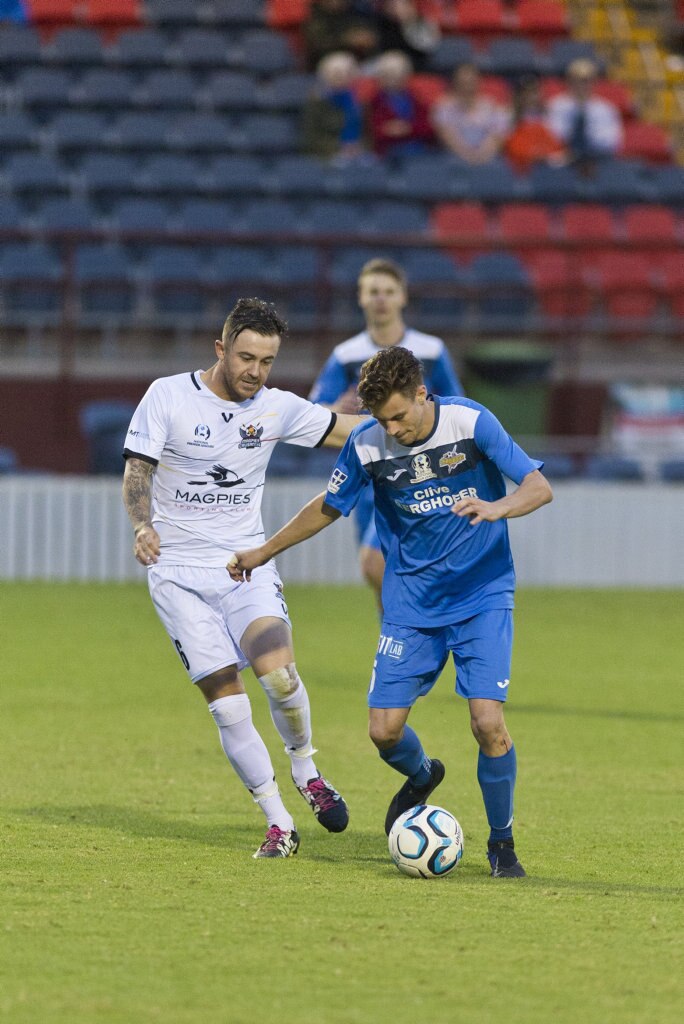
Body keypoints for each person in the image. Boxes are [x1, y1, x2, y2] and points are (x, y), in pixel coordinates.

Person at [229, 346, 553, 878]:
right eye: (382, 418)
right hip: (411, 604)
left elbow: (538, 486)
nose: (392, 428)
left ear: (423, 394)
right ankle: (423, 774)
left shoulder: (471, 422)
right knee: (383, 731)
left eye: (400, 415)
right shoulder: (367, 443)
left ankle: (502, 845)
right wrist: (263, 551)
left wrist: (496, 507)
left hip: (482, 596)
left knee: (488, 723)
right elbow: (328, 508)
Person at [122, 298, 364, 859]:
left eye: (267, 361)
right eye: (246, 356)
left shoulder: (275, 408)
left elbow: (343, 430)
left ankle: (307, 771)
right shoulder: (167, 396)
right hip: (176, 573)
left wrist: (419, 418)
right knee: (228, 706)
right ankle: (279, 821)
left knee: (279, 676)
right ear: (221, 349)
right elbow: (138, 468)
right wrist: (141, 525)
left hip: (243, 565)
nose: (255, 371)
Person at [309, 257, 463, 611]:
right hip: (367, 479)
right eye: (373, 292)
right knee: (383, 574)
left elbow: (457, 408)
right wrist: (338, 410)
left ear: (402, 298)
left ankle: (415, 638)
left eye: (388, 292)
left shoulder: (431, 351)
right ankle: (401, 646)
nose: (381, 299)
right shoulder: (347, 355)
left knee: (375, 562)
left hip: (418, 474)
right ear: (361, 298)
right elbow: (314, 414)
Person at [546, 58, 623, 168]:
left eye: (587, 80)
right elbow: (552, 135)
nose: (582, 85)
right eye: (578, 80)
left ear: (594, 82)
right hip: (562, 159)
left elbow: (612, 141)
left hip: (597, 161)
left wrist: (588, 137)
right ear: (569, 81)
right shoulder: (555, 106)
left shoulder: (606, 109)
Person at [431, 62, 511, 165]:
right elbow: (446, 135)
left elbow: (498, 135)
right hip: (454, 156)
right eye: (463, 82)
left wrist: (483, 154)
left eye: (470, 82)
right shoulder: (443, 107)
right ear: (455, 82)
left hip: (487, 156)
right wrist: (467, 155)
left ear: (478, 81)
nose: (467, 86)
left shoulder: (493, 107)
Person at [302, 50, 368, 163]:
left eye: (347, 73)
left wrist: (360, 148)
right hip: (328, 155)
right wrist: (341, 148)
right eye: (337, 74)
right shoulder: (317, 102)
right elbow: (312, 138)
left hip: (360, 153)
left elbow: (368, 133)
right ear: (326, 75)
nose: (342, 77)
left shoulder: (360, 101)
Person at [368, 50, 435, 158]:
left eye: (397, 74)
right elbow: (375, 133)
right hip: (388, 156)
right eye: (387, 75)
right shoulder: (373, 102)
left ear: (406, 76)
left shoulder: (417, 99)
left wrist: (408, 129)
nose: (392, 79)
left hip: (421, 153)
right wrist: (391, 131)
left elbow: (429, 129)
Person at [504, 74, 567, 174]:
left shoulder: (550, 115)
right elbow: (510, 147)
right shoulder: (508, 116)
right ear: (519, 95)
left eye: (534, 92)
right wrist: (531, 154)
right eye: (527, 93)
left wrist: (546, 154)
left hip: (547, 168)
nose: (531, 97)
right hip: (520, 169)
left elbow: (557, 144)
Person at [302, 0, 379, 72]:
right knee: (340, 66)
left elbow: (371, 32)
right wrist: (348, 40)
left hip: (362, 60)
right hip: (325, 60)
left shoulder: (356, 9)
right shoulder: (314, 13)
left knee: (388, 64)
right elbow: (317, 44)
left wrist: (368, 38)